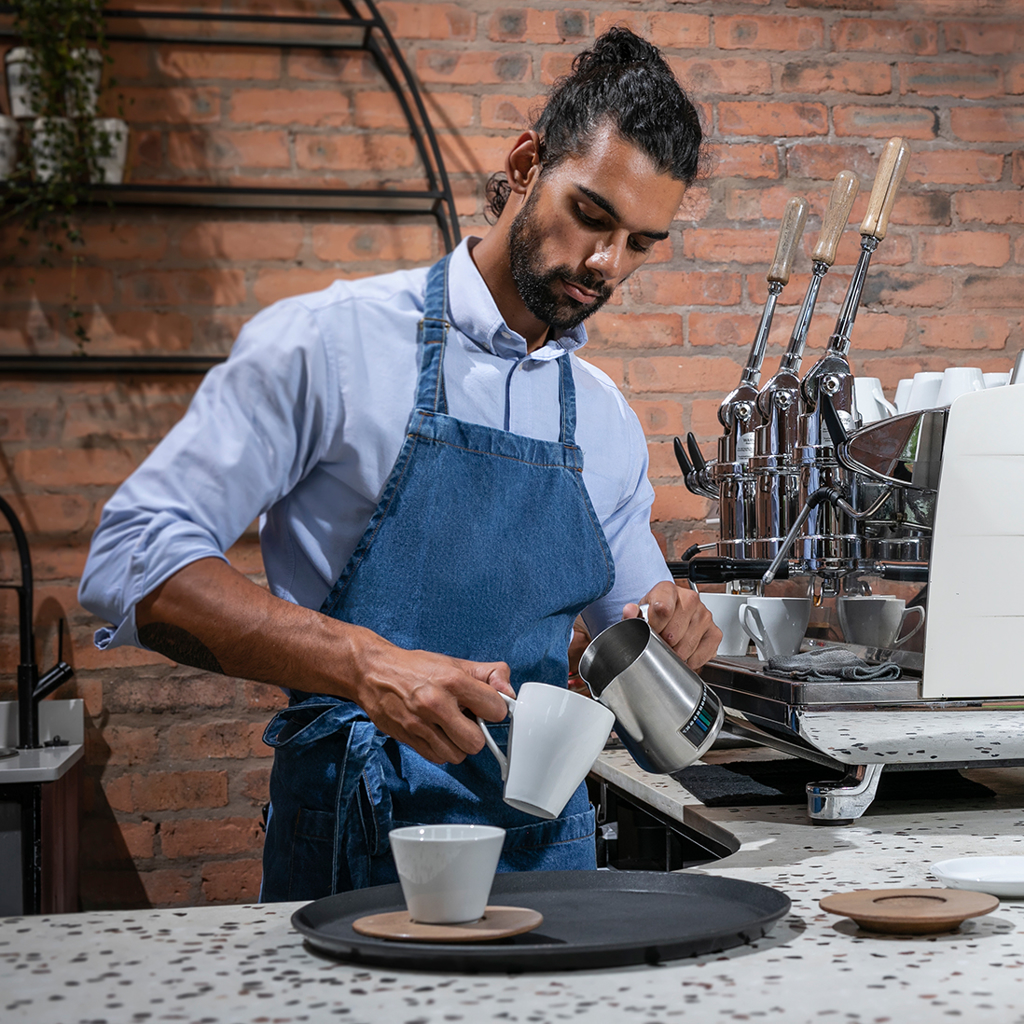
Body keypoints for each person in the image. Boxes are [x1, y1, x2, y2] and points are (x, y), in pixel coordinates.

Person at [78, 27, 721, 901]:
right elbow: (131, 562)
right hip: (354, 843)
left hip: (548, 867)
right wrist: (365, 666)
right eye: (592, 216)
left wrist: (671, 628)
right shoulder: (330, 345)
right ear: (526, 165)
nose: (606, 265)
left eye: (640, 242)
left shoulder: (602, 419)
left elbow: (629, 630)